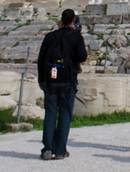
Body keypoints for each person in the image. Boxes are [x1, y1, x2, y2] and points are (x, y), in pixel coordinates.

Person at [37, 9, 88, 161]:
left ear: (61, 20)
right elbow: (82, 56)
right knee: (65, 114)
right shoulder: (76, 37)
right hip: (67, 79)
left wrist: (41, 79)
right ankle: (60, 150)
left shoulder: (50, 36)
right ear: (73, 20)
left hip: (50, 80)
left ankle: (47, 148)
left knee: (50, 113)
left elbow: (40, 60)